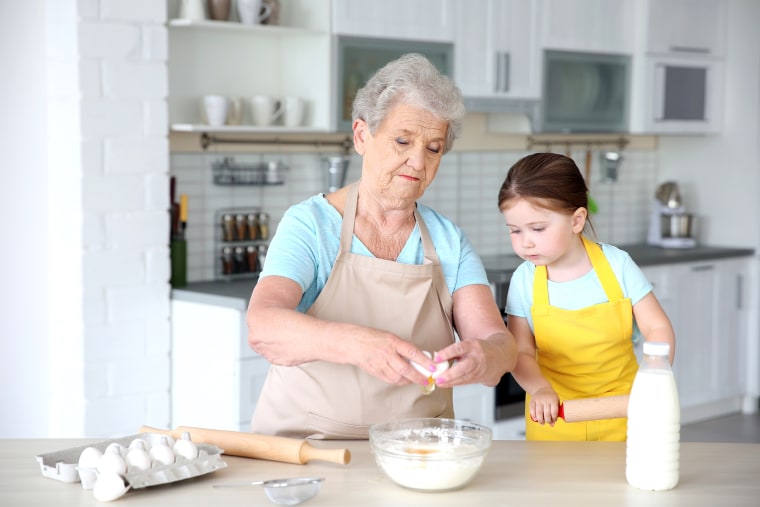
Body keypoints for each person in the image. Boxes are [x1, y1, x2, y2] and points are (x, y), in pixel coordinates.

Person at [246, 53, 518, 439]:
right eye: (402, 140)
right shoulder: (310, 225)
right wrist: (356, 344)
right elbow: (263, 325)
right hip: (307, 448)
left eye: (434, 148)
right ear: (361, 136)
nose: (417, 160)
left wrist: (485, 357)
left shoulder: (448, 241)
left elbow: (500, 345)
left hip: (417, 452)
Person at [497, 152, 675, 441]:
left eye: (538, 228)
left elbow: (657, 327)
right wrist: (540, 389)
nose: (525, 241)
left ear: (577, 220)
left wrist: (655, 374)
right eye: (514, 231)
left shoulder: (618, 266)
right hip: (555, 417)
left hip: (625, 411)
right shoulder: (524, 280)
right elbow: (522, 351)